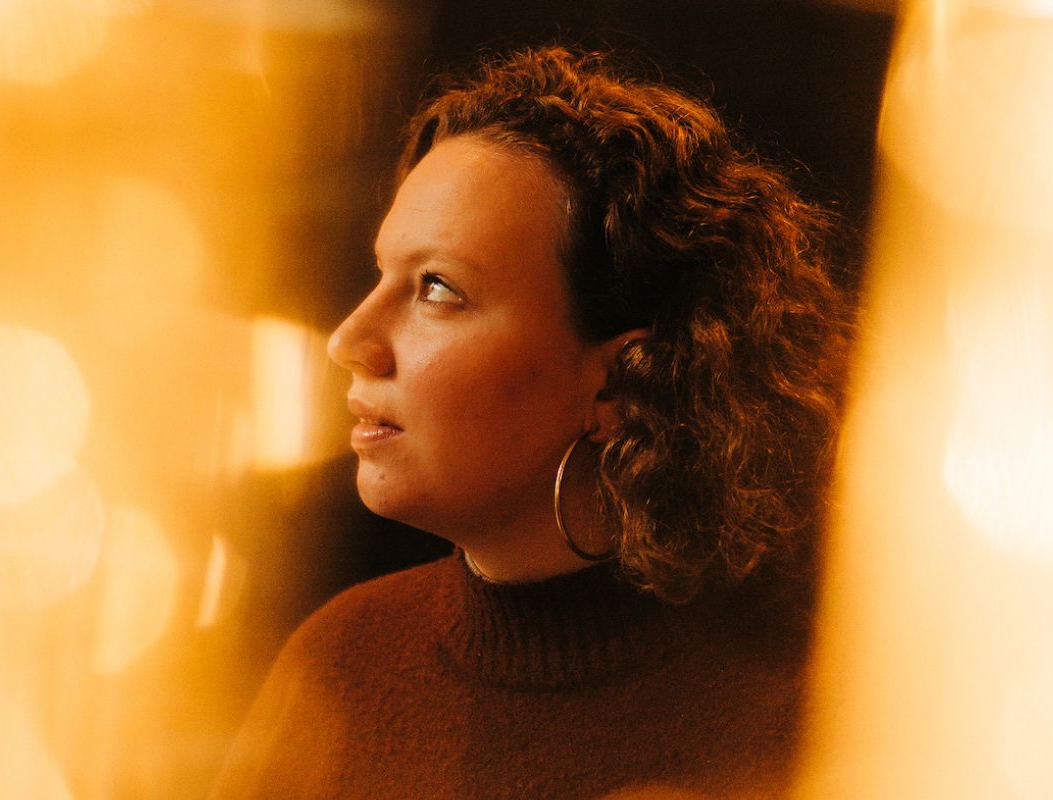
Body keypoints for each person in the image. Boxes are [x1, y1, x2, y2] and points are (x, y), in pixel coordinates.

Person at [212, 45, 851, 799]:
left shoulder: (814, 719)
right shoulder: (339, 660)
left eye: (438, 289)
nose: (350, 340)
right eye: (383, 274)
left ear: (620, 382)